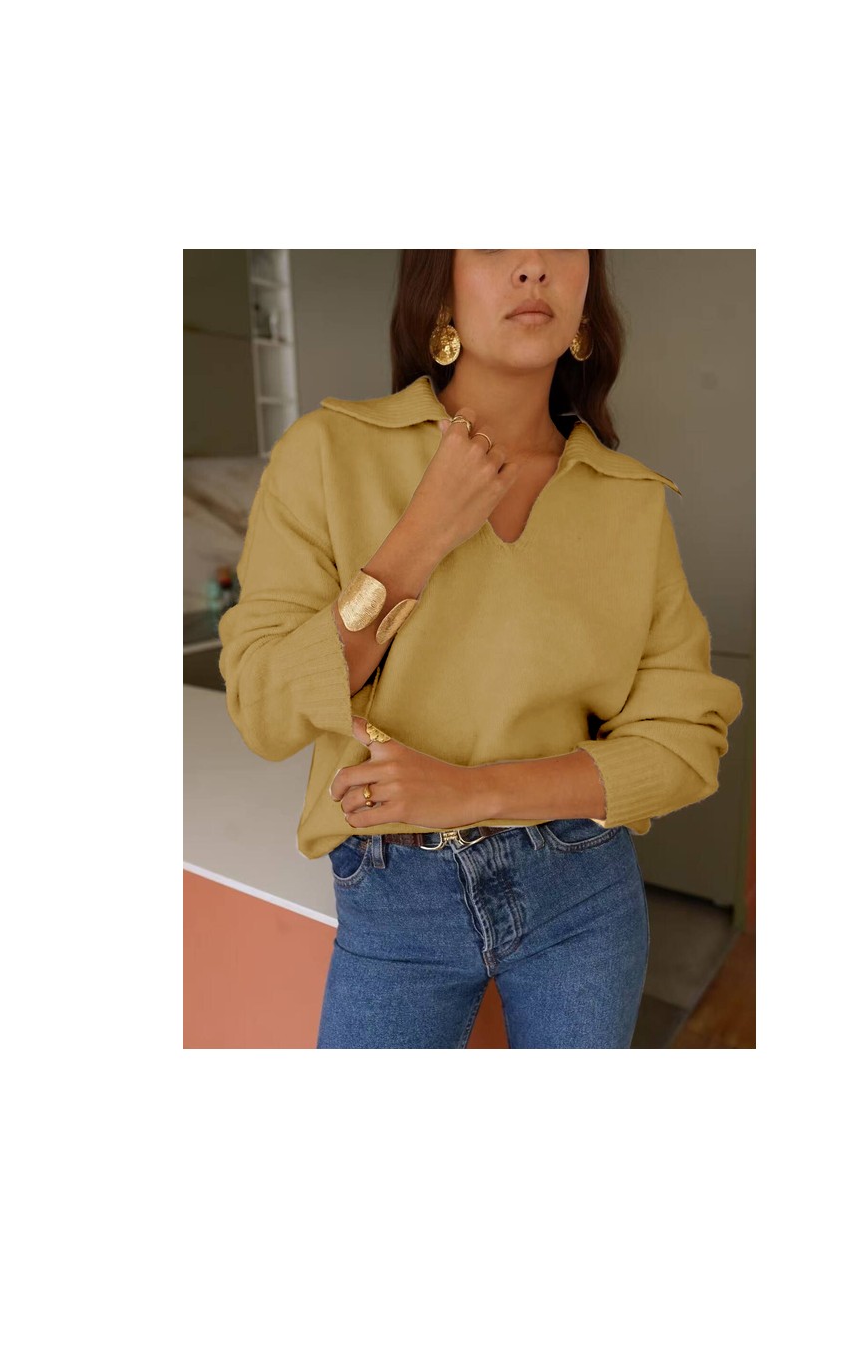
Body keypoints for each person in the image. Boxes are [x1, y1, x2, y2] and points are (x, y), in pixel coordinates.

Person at [218, 250, 743, 1048]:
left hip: (585, 889)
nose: (533, 264)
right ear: (441, 289)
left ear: (587, 303)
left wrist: (471, 792)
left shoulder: (630, 500)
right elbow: (264, 710)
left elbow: (685, 745)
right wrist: (421, 534)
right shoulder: (326, 453)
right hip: (394, 896)